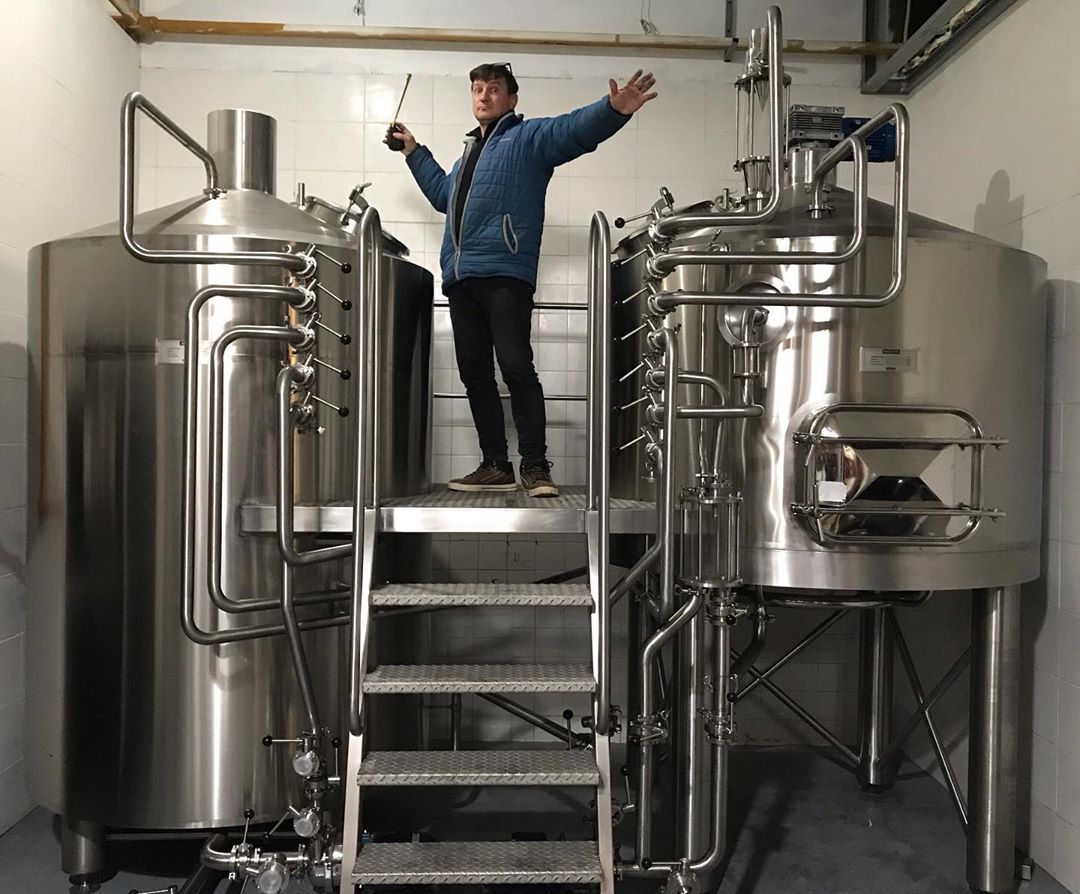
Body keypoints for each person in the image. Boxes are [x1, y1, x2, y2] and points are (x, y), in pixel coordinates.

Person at [386, 63, 658, 497]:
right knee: (475, 375)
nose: (484, 96)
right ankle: (496, 464)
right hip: (461, 279)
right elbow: (442, 195)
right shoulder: (467, 156)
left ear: (511, 99)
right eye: (477, 89)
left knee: (515, 368)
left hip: (506, 274)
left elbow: (573, 130)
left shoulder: (527, 138)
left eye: (494, 89)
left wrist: (613, 110)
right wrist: (413, 151)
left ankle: (535, 465)